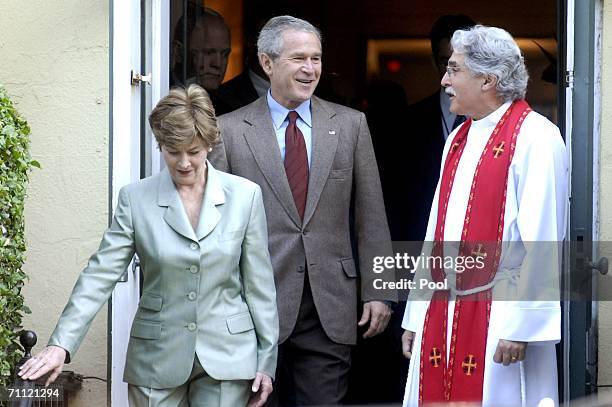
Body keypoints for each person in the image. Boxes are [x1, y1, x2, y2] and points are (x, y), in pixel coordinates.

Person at [19, 85, 279, 407]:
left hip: (228, 359)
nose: (184, 162)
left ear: (210, 145)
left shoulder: (245, 196)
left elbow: (259, 286)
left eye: (194, 151)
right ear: (160, 146)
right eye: (173, 151)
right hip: (156, 357)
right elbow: (100, 274)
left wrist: (267, 360)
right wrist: (61, 344)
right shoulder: (135, 199)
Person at [209, 15, 396, 406]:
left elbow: (371, 214)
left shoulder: (350, 125)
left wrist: (379, 290)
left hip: (329, 304)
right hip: (254, 304)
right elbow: (216, 224)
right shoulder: (228, 130)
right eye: (298, 58)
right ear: (267, 62)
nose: (310, 69)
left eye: (316, 58)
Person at [400, 25, 568, 406]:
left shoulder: (536, 138)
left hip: (502, 320)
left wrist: (523, 326)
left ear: (488, 79)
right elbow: (435, 235)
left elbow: (543, 238)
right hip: (442, 312)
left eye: (454, 70)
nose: (444, 80)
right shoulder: (458, 138)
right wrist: (415, 314)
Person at [189, 9, 231, 93]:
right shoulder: (160, 92)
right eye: (209, 53)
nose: (218, 64)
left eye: (224, 54)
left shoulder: (230, 103)